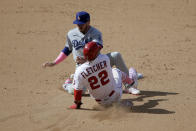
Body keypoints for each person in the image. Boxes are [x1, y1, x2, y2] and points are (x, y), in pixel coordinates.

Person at [42, 11, 141, 94]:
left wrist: (86, 59)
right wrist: (54, 62)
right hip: (81, 67)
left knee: (116, 55)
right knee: (75, 91)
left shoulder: (95, 33)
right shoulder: (71, 34)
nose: (79, 26)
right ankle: (68, 84)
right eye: (78, 23)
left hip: (98, 63)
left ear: (88, 22)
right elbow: (67, 50)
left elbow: (98, 47)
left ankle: (129, 85)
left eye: (82, 24)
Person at [69, 42, 139, 109]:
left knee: (83, 83)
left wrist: (77, 105)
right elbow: (96, 61)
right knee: (116, 71)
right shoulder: (105, 59)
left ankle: (111, 105)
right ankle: (131, 83)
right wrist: (86, 60)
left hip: (101, 102)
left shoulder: (79, 71)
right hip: (115, 94)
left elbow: (77, 91)